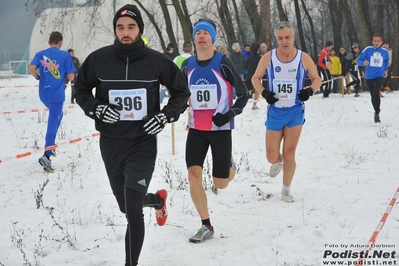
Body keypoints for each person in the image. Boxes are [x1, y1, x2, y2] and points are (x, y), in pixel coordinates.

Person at [74, 5, 190, 266]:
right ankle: (158, 200)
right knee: (125, 206)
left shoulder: (157, 61)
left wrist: (164, 115)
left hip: (142, 142)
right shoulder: (98, 59)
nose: (125, 32)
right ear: (115, 29)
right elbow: (80, 90)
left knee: (133, 213)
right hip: (111, 142)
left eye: (131, 27)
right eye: (120, 27)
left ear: (139, 30)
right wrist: (97, 108)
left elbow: (181, 92)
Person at [181, 19, 248, 243]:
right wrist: (179, 106)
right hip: (196, 130)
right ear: (193, 39)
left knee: (220, 183)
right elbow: (181, 93)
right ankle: (205, 225)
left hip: (220, 129)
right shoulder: (187, 64)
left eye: (206, 33)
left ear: (212, 38)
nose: (201, 36)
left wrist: (228, 115)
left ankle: (230, 166)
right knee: (193, 175)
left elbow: (243, 94)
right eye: (197, 33)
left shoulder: (224, 62)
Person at [251, 21, 322, 203]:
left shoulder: (303, 58)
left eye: (287, 37)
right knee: (271, 156)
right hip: (275, 111)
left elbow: (317, 79)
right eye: (280, 38)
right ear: (277, 39)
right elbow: (255, 78)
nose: (284, 41)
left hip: (295, 111)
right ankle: (279, 161)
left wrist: (309, 91)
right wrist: (265, 93)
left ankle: (286, 190)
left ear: (293, 37)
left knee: (290, 153)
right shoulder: (269, 57)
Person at [29, 31, 76, 173]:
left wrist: (37, 76)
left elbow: (31, 68)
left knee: (58, 116)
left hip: (44, 94)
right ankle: (47, 155)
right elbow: (71, 77)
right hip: (57, 95)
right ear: (60, 43)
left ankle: (51, 145)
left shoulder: (40, 54)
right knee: (53, 121)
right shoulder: (65, 55)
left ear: (49, 42)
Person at [357, 33, 389, 123]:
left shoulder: (385, 52)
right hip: (369, 76)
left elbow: (386, 61)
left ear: (381, 42)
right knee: (373, 95)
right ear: (372, 41)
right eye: (374, 41)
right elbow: (358, 60)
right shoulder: (368, 50)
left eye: (378, 41)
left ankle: (377, 114)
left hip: (379, 74)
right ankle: (376, 110)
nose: (376, 43)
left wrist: (386, 70)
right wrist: (363, 62)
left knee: (376, 92)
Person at [245, 42, 262, 109]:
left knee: (249, 90)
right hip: (256, 76)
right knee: (257, 90)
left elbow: (246, 66)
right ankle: (254, 104)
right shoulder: (259, 57)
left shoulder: (249, 57)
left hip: (249, 75)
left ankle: (244, 104)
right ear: (258, 49)